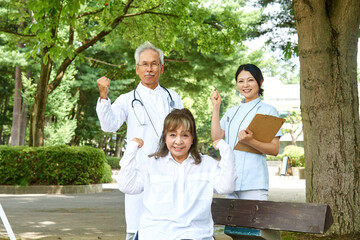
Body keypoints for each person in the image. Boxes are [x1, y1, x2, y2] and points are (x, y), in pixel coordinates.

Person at [96, 41, 183, 240]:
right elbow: (109, 125)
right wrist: (103, 95)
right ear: (137, 69)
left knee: (170, 229)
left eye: (154, 64)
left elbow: (184, 132)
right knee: (137, 229)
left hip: (170, 172)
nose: (149, 69)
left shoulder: (173, 97)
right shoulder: (128, 99)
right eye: (144, 64)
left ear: (161, 68)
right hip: (140, 173)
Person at [116, 108, 236, 240]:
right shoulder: (151, 164)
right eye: (172, 135)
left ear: (192, 139)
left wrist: (226, 151)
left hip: (195, 235)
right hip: (155, 234)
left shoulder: (207, 164)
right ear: (165, 137)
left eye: (185, 135)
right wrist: (131, 150)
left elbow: (226, 187)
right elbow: (127, 186)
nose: (178, 141)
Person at [210, 63, 282, 201]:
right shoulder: (232, 111)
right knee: (231, 223)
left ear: (260, 82)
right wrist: (216, 107)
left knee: (251, 222)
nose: (245, 85)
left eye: (250, 80)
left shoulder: (268, 111)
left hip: (254, 183)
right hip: (231, 181)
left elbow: (274, 149)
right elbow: (217, 137)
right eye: (240, 81)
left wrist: (251, 141)